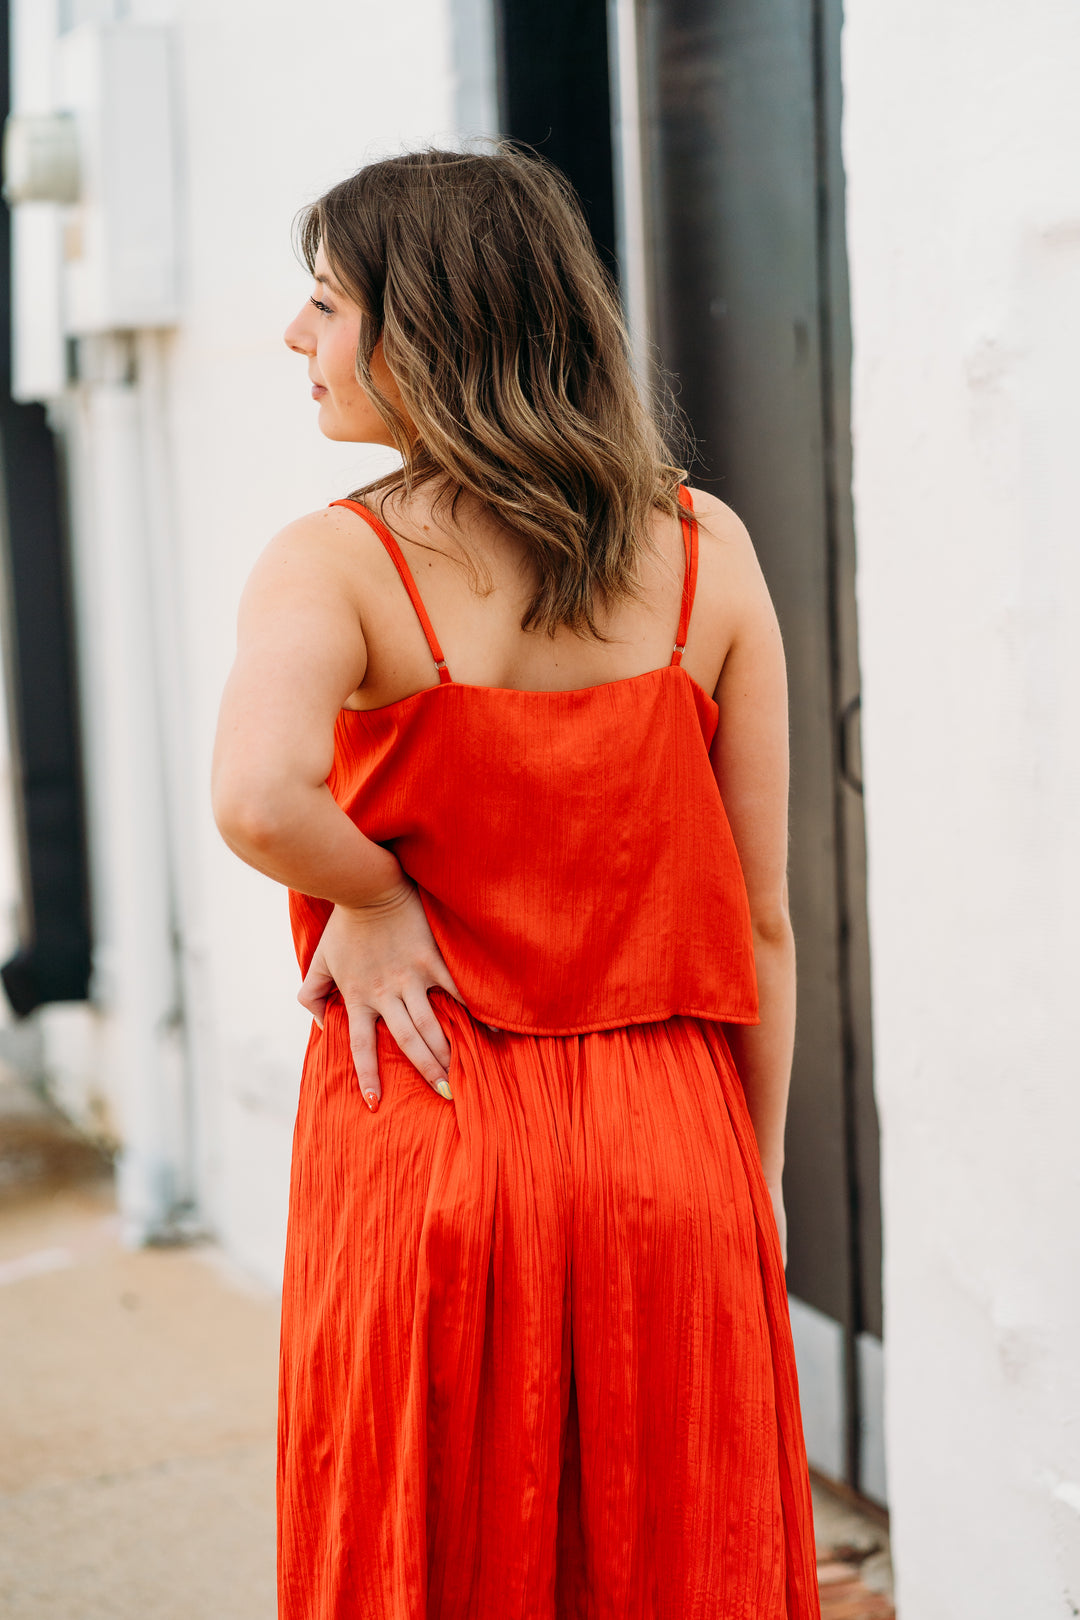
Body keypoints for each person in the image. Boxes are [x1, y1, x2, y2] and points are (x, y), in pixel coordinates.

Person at [212, 146, 820, 1620]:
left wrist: (370, 895)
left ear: (425, 326)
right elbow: (759, 918)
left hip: (429, 1127)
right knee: (685, 1562)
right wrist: (759, 1171)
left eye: (326, 303)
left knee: (429, 1555)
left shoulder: (339, 565)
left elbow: (258, 795)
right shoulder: (707, 549)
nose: (297, 338)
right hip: (672, 1147)